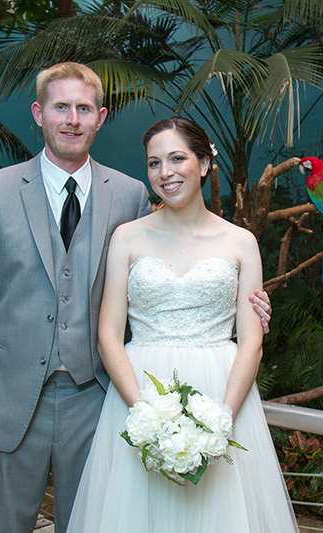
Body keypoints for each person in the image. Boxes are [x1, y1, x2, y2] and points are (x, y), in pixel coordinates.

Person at [0, 63, 273, 533]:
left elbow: (161, 283)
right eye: (61, 107)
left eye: (83, 109)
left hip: (98, 399)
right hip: (10, 398)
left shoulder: (129, 195)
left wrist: (252, 309)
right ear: (39, 113)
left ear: (100, 117)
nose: (72, 119)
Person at [66, 117, 298, 533]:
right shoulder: (127, 237)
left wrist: (222, 418)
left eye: (177, 158)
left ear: (205, 162)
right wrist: (143, 413)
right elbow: (108, 335)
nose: (165, 173)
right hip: (139, 388)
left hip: (221, 388)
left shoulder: (241, 242)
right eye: (154, 163)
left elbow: (251, 342)